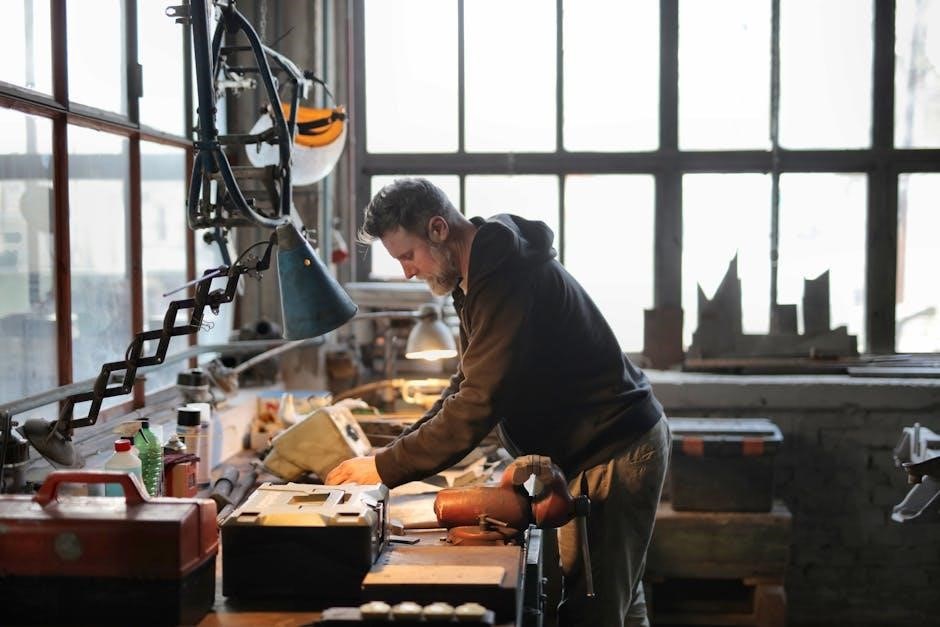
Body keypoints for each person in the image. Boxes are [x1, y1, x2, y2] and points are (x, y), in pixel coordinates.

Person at [325, 177, 670, 627]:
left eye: (408, 256)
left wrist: (386, 467)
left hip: (613, 450)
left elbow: (478, 402)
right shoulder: (474, 280)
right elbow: (466, 381)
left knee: (594, 608)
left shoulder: (505, 276)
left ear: (438, 229)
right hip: (594, 449)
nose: (408, 272)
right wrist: (392, 452)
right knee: (616, 597)